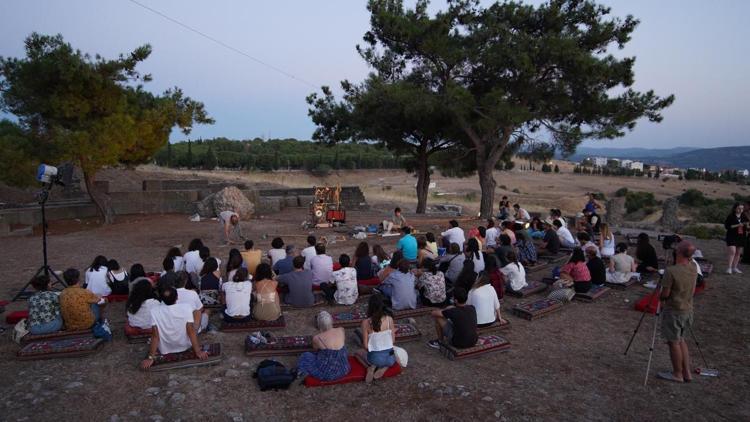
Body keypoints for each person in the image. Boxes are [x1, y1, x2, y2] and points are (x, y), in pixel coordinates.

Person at [657, 241, 698, 383]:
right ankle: (687, 373)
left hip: (674, 310)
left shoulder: (671, 271)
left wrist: (660, 296)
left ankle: (677, 373)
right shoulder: (693, 267)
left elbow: (665, 294)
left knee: (673, 342)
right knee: (681, 340)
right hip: (687, 308)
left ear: (679, 252)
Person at [141, 286, 208, 369]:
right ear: (177, 297)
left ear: (161, 299)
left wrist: (150, 358)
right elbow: (190, 331)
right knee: (197, 313)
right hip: (185, 345)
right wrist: (198, 351)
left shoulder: (154, 311)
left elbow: (155, 336)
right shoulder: (186, 307)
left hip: (165, 349)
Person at [297, 311, 350, 381]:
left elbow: (315, 350)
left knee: (305, 356)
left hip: (327, 372)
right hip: (343, 368)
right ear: (331, 320)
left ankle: (301, 374)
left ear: (319, 324)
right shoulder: (341, 329)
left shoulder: (317, 338)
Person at [358, 295, 397, 383]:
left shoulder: (366, 322)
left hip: (375, 358)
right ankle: (384, 367)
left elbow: (365, 346)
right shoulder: (389, 319)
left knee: (358, 353)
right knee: (388, 356)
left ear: (370, 307)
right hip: (390, 359)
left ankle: (371, 367)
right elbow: (393, 341)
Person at [724, 202, 748, 274]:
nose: (741, 210)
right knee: (732, 251)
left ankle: (735, 268)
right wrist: (738, 225)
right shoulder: (731, 216)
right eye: (739, 208)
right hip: (731, 236)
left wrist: (747, 226)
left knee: (738, 253)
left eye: (742, 208)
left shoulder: (744, 216)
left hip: (741, 236)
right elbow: (727, 227)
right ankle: (729, 268)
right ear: (735, 209)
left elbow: (746, 225)